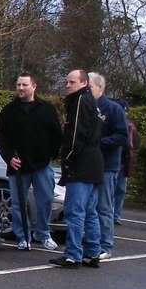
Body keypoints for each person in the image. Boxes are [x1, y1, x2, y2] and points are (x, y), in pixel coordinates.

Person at [0, 73, 63, 251]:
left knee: (46, 200)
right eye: (18, 85)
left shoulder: (47, 109)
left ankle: (43, 233)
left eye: (24, 85)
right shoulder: (9, 111)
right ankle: (22, 236)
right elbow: (2, 138)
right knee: (18, 203)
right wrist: (9, 157)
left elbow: (57, 135)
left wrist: (50, 156)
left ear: (34, 86)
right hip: (18, 167)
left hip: (42, 165)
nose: (20, 88)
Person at [51, 69, 103, 269]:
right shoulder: (91, 102)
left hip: (81, 165)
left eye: (71, 82)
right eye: (67, 81)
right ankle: (92, 252)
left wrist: (69, 159)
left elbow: (76, 135)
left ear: (83, 83)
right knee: (90, 212)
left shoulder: (80, 101)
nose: (67, 85)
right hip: (94, 163)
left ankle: (73, 254)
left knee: (75, 211)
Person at [87, 73, 128, 259]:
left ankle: (105, 245)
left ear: (100, 88)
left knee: (103, 206)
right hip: (87, 164)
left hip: (106, 165)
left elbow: (122, 136)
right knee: (88, 206)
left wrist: (98, 142)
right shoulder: (84, 107)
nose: (87, 91)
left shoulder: (113, 109)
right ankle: (90, 242)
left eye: (90, 87)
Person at [114, 101, 138, 225]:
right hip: (114, 162)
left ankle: (116, 215)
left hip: (123, 162)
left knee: (120, 190)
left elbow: (135, 146)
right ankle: (111, 215)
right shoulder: (115, 124)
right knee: (110, 191)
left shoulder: (130, 127)